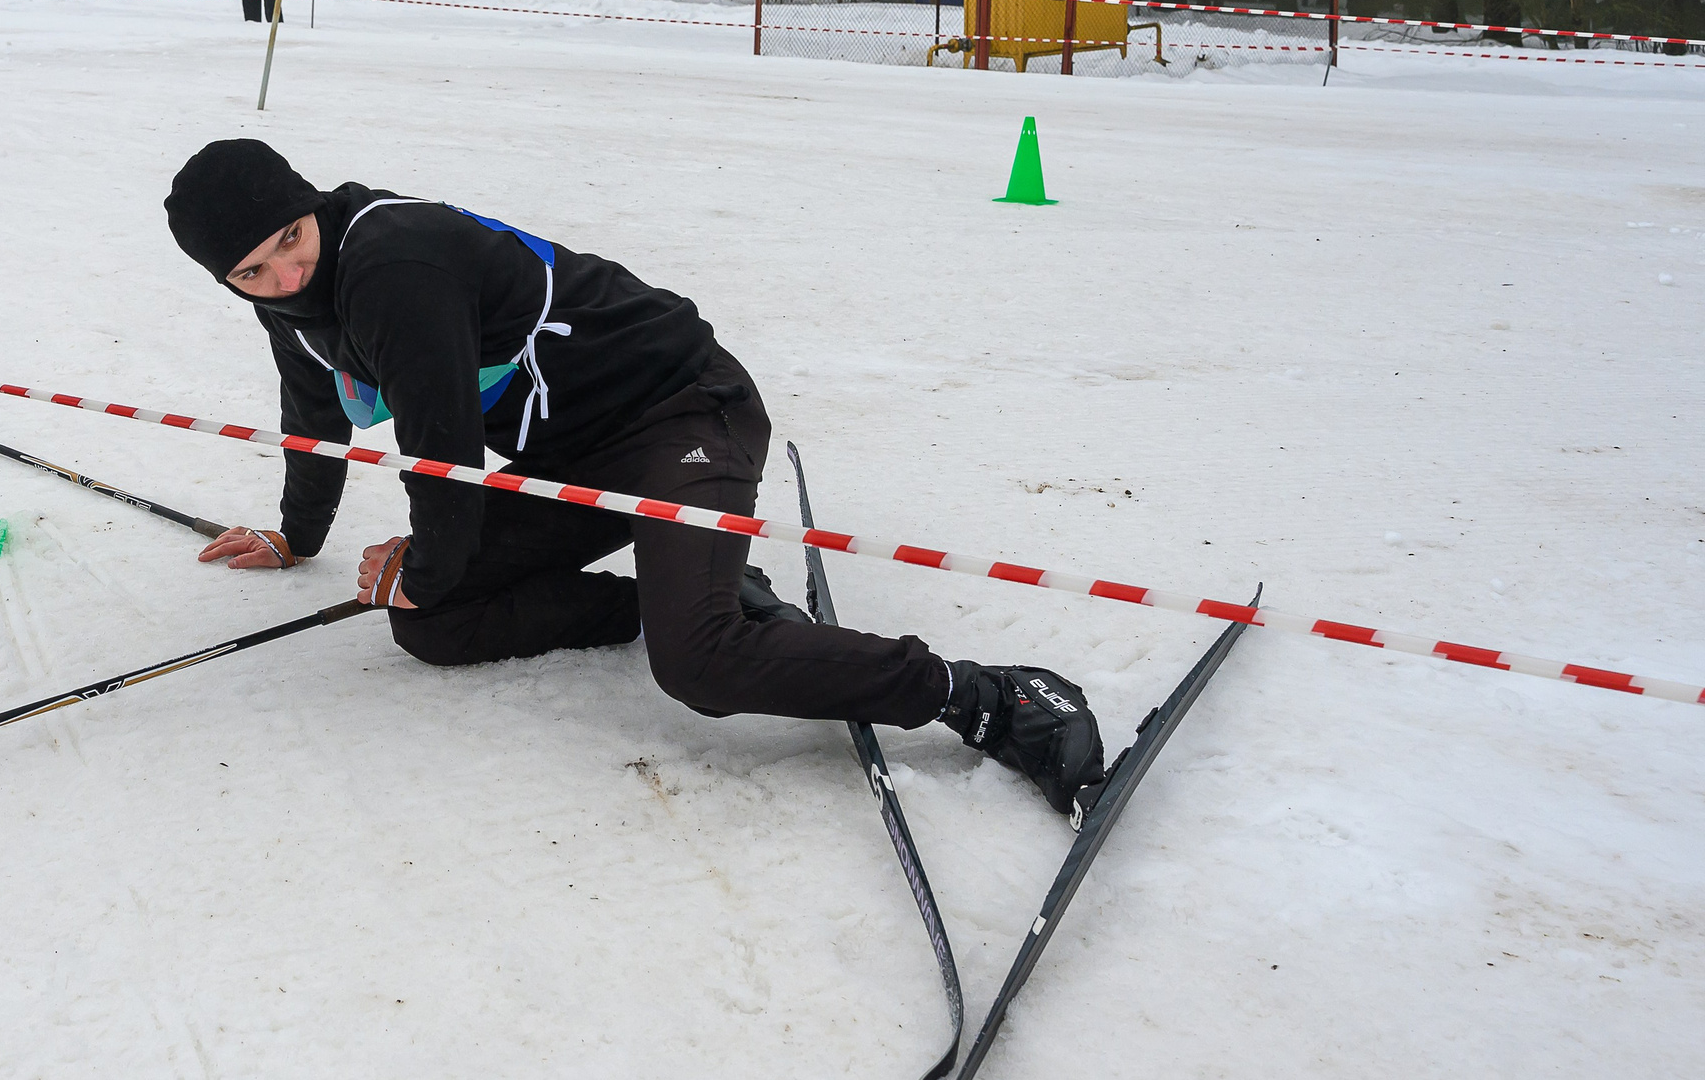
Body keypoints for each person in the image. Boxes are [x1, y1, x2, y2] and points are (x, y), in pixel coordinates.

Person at [162, 139, 1114, 819]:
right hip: (570, 455)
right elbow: (315, 410)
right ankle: (680, 591)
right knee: (431, 624)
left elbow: (441, 454)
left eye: (290, 238)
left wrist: (430, 558)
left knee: (699, 666)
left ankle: (987, 696)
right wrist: (298, 535)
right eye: (251, 271)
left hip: (681, 412)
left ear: (309, 202)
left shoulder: (390, 263)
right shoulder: (294, 301)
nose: (283, 274)